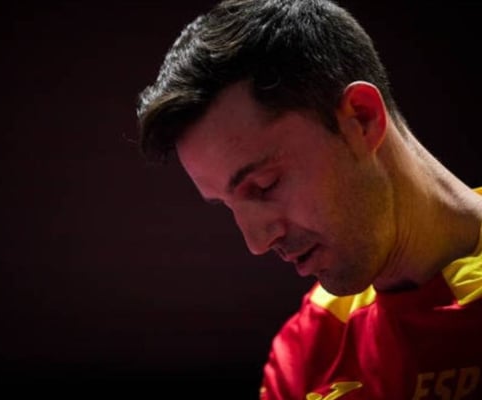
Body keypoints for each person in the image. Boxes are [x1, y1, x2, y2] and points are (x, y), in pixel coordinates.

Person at [135, 0, 482, 398]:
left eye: (264, 185)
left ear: (361, 119)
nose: (257, 242)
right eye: (227, 205)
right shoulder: (307, 353)